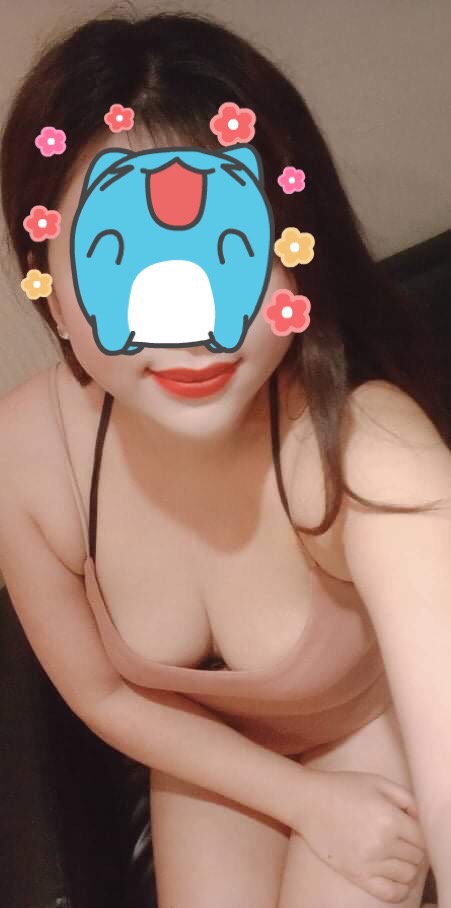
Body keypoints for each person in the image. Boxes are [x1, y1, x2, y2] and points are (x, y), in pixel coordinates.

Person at [0, 10, 448, 907]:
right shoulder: (29, 457)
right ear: (47, 280)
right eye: (120, 258)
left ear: (295, 252)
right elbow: (104, 695)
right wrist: (301, 801)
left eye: (228, 248)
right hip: (214, 754)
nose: (190, 323)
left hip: (371, 733)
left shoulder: (371, 452)